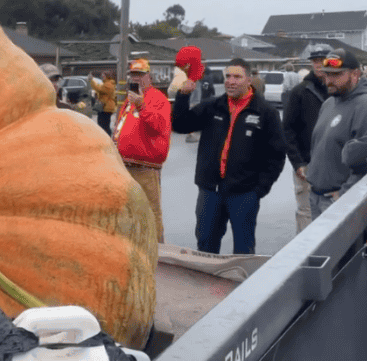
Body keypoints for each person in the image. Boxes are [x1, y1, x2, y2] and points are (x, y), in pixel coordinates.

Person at [171, 58, 286, 254]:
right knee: (205, 247)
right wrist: (183, 96)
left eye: (237, 77)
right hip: (210, 193)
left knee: (243, 250)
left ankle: (244, 285)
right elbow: (180, 125)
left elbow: (275, 155)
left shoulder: (266, 112)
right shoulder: (212, 106)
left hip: (244, 194)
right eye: (228, 76)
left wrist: (259, 190)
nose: (231, 81)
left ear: (249, 79)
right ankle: (205, 283)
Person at [306, 48, 367, 218]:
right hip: (316, 197)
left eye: (336, 75)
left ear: (355, 74)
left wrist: (344, 195)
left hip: (339, 201)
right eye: (327, 74)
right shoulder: (329, 103)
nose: (328, 80)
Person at [113, 58, 171, 243]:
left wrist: (142, 106)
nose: (136, 78)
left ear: (149, 76)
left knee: (151, 211)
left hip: (146, 167)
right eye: (133, 75)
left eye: (140, 74)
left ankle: (158, 252)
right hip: (124, 166)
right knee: (126, 211)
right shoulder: (129, 100)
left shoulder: (158, 99)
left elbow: (158, 126)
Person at [281, 49, 329, 233]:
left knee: (332, 211)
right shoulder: (300, 92)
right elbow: (287, 129)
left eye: (323, 61)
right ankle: (306, 255)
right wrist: (297, 162)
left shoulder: (339, 91)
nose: (319, 64)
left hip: (334, 166)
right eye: (315, 61)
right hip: (306, 164)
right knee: (306, 213)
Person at [88, 70, 117, 136]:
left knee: (104, 125)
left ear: (107, 76)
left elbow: (100, 89)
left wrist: (92, 81)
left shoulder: (109, 84)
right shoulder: (106, 83)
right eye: (102, 75)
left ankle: (107, 138)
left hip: (106, 108)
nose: (102, 76)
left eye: (103, 75)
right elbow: (100, 90)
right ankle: (106, 137)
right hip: (104, 107)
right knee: (102, 124)